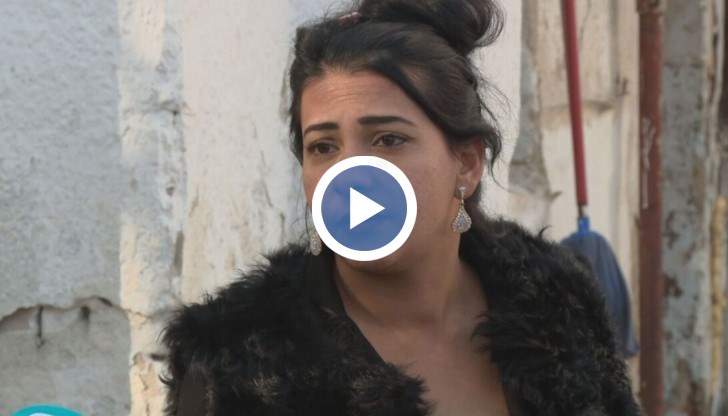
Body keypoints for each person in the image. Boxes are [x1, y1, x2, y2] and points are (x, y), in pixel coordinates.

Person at [160, 0, 643, 414]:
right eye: (323, 147)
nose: (351, 176)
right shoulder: (237, 367)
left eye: (388, 139)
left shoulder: (560, 308)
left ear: (467, 164)